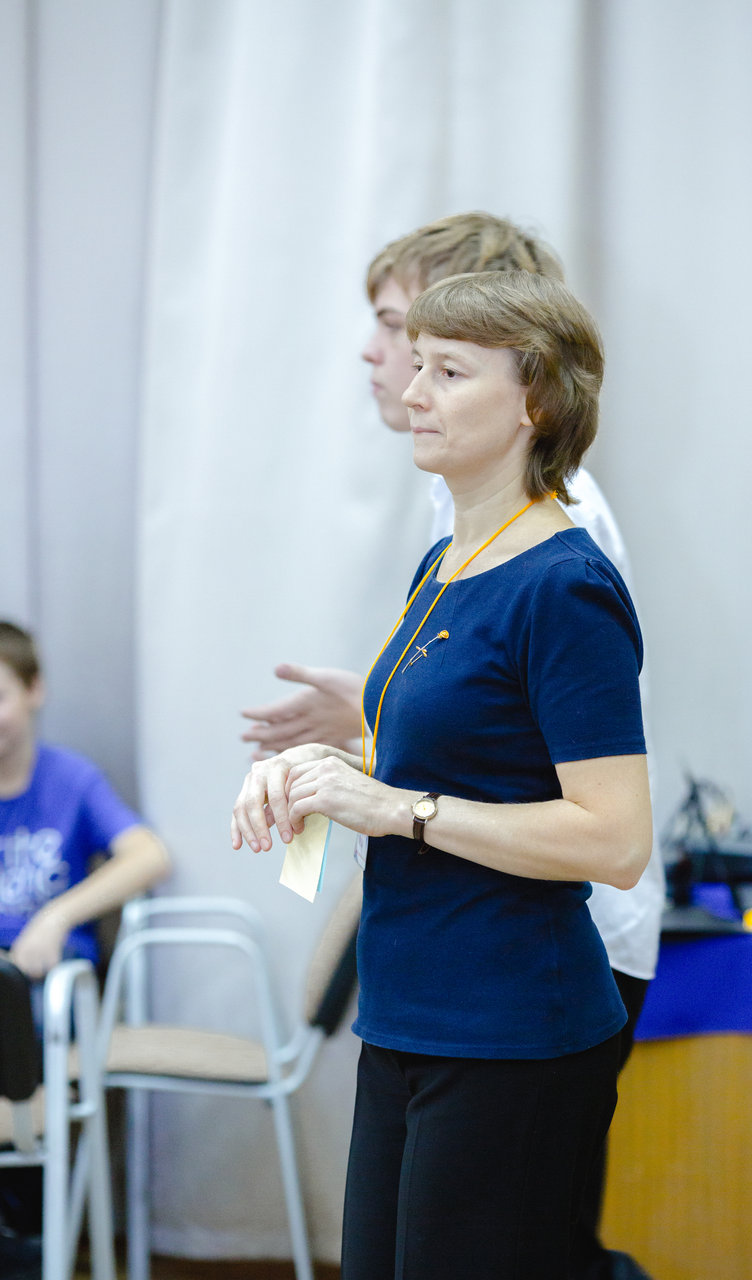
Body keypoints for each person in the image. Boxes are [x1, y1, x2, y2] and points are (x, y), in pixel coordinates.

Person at [241, 212, 663, 1280]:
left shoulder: (564, 582)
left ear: (535, 401)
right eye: (414, 359)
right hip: (408, 1006)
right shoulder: (443, 561)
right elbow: (451, 754)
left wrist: (396, 805)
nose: (411, 388)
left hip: (510, 1018)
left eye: (447, 370)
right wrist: (321, 772)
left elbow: (615, 840)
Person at [0, 620, 171, 1264]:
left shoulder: (69, 781)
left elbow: (149, 856)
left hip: (44, 986)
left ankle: (23, 1229)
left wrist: (56, 917)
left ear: (34, 690)